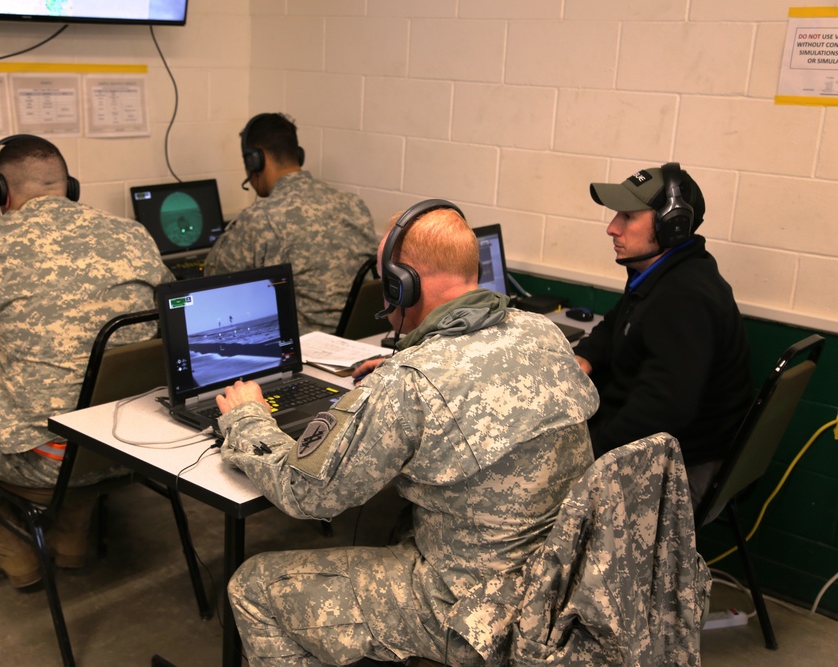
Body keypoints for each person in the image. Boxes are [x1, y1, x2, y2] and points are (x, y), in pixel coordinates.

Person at [214, 201, 599, 665]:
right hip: (555, 583)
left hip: (471, 610)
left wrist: (248, 418)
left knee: (254, 586)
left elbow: (305, 494)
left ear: (404, 284)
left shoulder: (409, 383)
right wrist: (401, 367)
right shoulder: (545, 334)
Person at [0, 134, 174, 588]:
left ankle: (7, 538)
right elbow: (168, 300)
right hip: (132, 443)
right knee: (80, 410)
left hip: (46, 462)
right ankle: (71, 537)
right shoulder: (134, 235)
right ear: (69, 186)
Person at [572, 163, 752, 512]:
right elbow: (617, 323)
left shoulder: (684, 296)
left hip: (683, 467)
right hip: (663, 446)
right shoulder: (662, 273)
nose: (612, 228)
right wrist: (587, 357)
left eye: (627, 217)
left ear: (672, 224)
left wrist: (588, 455)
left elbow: (662, 410)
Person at [204, 112, 377, 334]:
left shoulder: (260, 218)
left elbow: (212, 283)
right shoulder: (353, 204)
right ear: (299, 155)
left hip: (306, 350)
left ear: (254, 160)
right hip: (362, 339)